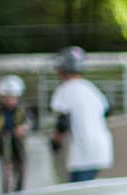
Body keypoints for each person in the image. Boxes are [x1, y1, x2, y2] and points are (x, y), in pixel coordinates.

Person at [49, 46, 114, 183]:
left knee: (77, 193)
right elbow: (107, 110)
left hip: (83, 150)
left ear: (62, 69)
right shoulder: (90, 87)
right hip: (101, 146)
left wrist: (56, 141)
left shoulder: (64, 90)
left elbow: (62, 122)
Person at [0, 74, 34, 193]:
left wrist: (23, 128)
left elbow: (29, 121)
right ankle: (6, 191)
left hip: (18, 145)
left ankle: (19, 191)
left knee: (21, 170)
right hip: (3, 144)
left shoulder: (21, 110)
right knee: (6, 171)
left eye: (12, 97)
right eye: (6, 97)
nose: (9, 100)